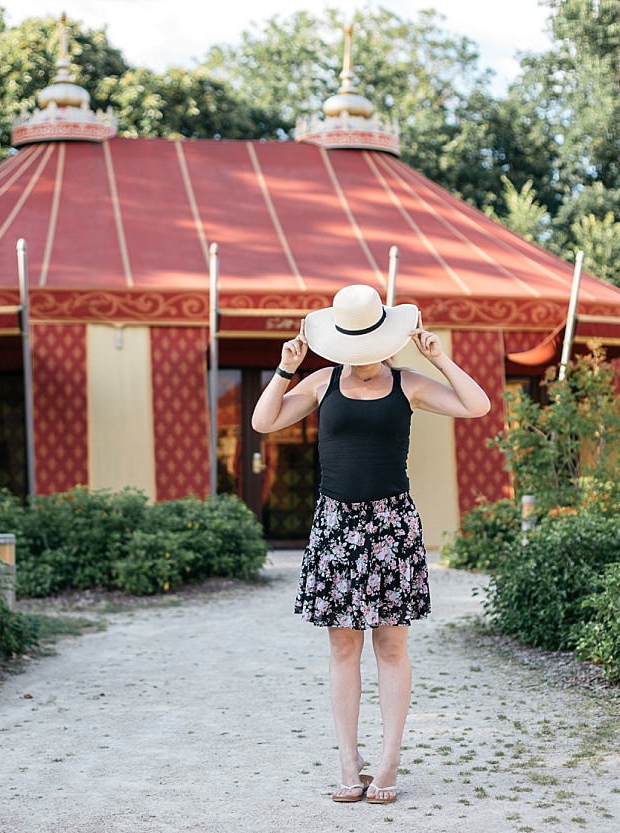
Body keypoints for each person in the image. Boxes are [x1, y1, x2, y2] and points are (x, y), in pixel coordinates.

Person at [251, 283, 491, 805]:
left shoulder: (409, 384)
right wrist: (286, 369)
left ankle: (387, 761)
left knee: (392, 644)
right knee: (342, 646)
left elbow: (477, 405)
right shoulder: (321, 381)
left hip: (392, 526)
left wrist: (442, 360)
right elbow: (263, 421)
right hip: (335, 525)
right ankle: (348, 761)